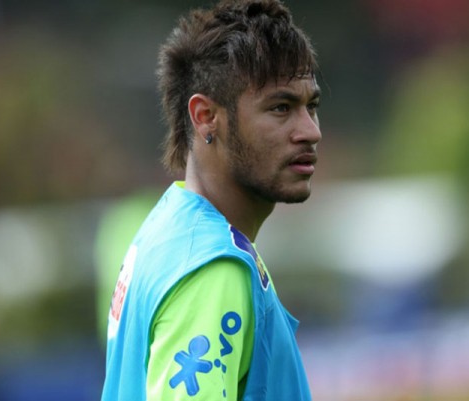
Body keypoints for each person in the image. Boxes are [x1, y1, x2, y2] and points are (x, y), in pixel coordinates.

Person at [100, 0, 322, 400]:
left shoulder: (168, 228)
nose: (309, 131)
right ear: (205, 116)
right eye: (281, 108)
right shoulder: (211, 267)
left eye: (311, 107)